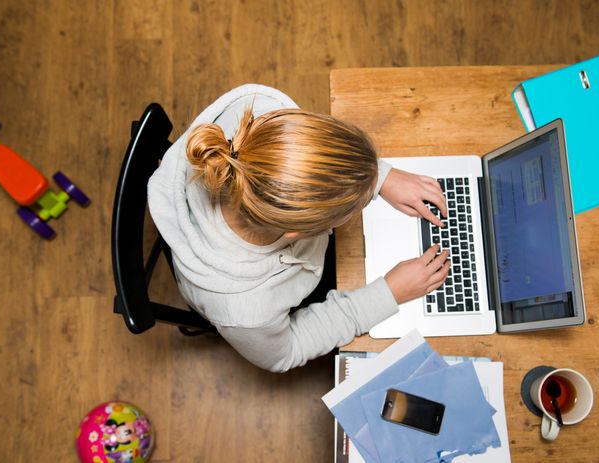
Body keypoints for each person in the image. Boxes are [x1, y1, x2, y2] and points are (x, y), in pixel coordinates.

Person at [148, 84, 449, 373]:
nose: (366, 202)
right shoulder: (247, 312)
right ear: (299, 233)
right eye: (356, 207)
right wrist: (388, 294)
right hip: (259, 297)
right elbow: (286, 352)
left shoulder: (264, 116)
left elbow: (312, 148)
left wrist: (380, 175)